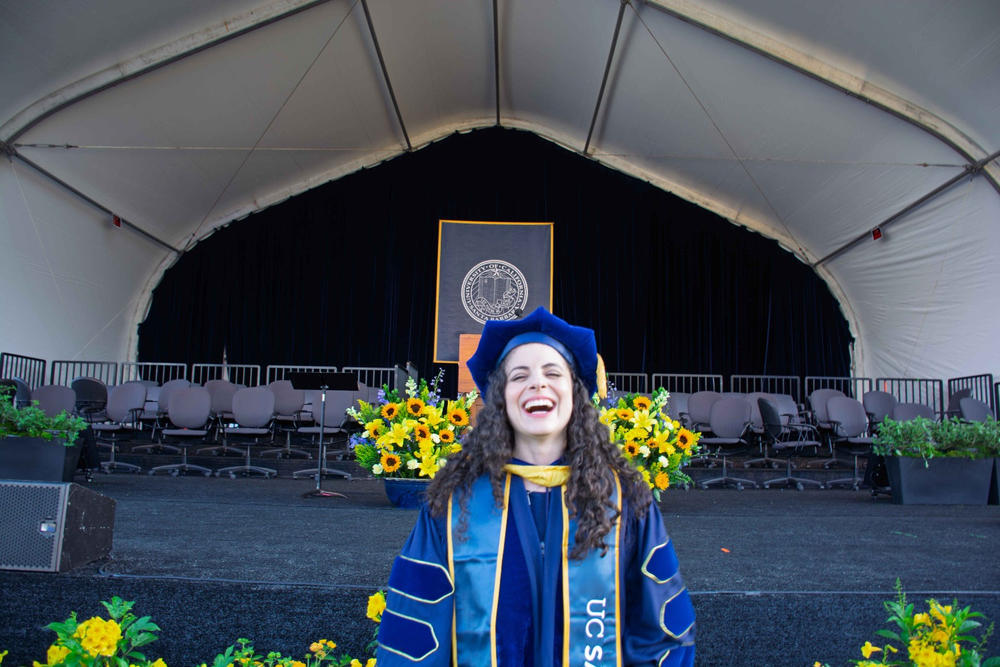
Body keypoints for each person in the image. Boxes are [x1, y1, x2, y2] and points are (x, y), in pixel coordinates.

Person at [376, 307, 695, 666]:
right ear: (501, 397)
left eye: (553, 372)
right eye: (519, 375)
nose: (538, 384)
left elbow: (663, 634)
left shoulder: (624, 501)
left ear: (575, 393)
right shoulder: (455, 504)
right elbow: (415, 638)